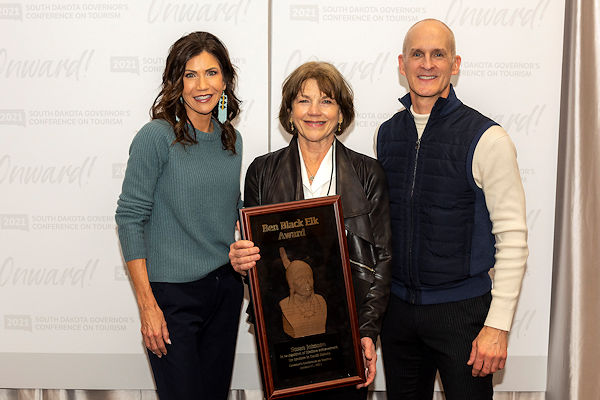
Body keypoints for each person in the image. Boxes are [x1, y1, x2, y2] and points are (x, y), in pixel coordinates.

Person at [377, 19, 528, 399]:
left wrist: (498, 326)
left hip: (463, 316)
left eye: (438, 54)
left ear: (455, 64)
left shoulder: (488, 138)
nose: (426, 64)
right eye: (417, 54)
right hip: (397, 315)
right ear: (402, 63)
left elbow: (513, 239)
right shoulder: (387, 133)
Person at [229, 61, 392, 399]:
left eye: (327, 101)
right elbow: (257, 263)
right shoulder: (262, 171)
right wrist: (243, 261)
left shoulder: (368, 173)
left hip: (347, 333)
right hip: (284, 336)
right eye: (304, 100)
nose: (315, 111)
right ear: (290, 112)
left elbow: (382, 259)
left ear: (342, 114)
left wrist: (366, 331)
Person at [115, 31, 243, 400]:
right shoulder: (156, 137)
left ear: (225, 80)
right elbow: (129, 218)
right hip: (172, 298)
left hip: (225, 291)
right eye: (190, 74)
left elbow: (231, 213)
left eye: (211, 73)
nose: (202, 85)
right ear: (176, 82)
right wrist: (147, 305)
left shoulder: (230, 140)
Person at [278, 247, 327, 338]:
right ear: (291, 284)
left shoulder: (321, 301)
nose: (307, 283)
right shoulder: (285, 305)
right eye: (300, 279)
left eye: (309, 277)